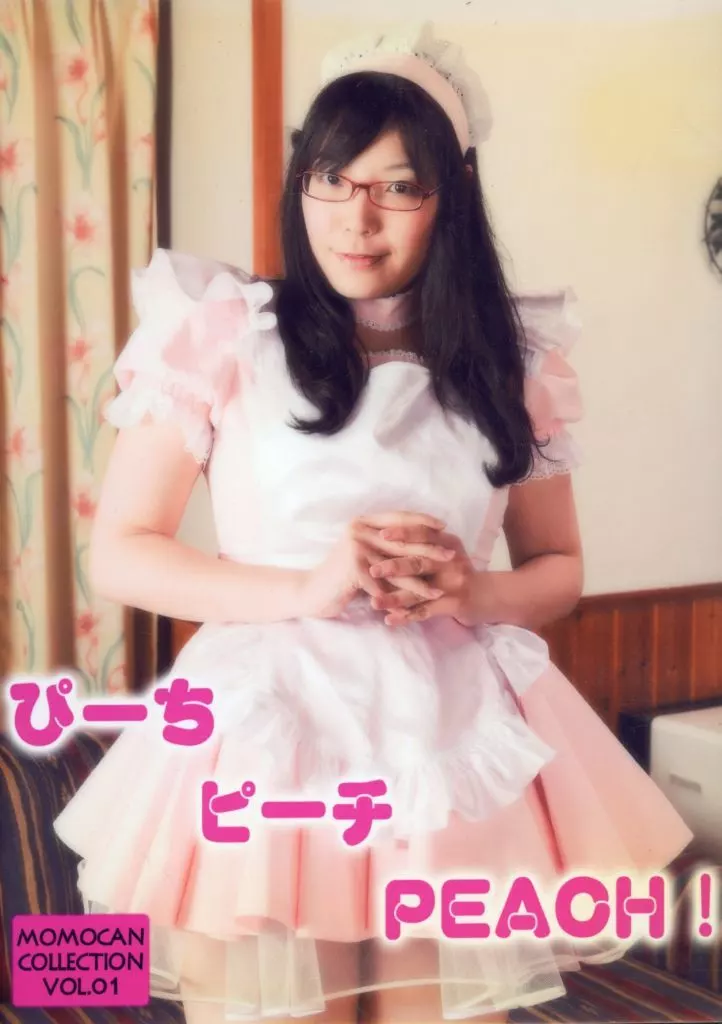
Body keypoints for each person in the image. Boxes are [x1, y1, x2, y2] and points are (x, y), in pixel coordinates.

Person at [53, 23, 692, 1024]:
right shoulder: (225, 333)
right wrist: (307, 587)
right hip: (268, 738)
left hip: (448, 748)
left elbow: (560, 567)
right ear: (300, 181)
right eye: (330, 178)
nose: (355, 218)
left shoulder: (511, 362)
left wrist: (474, 590)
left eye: (396, 186)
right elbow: (121, 554)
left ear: (452, 194)